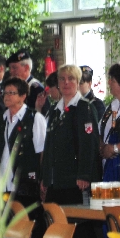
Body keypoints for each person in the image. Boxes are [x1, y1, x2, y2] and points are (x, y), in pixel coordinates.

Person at [0, 77, 47, 230]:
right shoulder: (1, 120)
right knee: (5, 229)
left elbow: (42, 153)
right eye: (5, 93)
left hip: (26, 185)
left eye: (11, 93)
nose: (6, 96)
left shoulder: (34, 118)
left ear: (23, 96)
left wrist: (43, 180)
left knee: (27, 228)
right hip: (3, 186)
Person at [40, 64, 101, 206]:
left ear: (78, 82)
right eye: (62, 79)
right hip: (55, 180)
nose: (66, 82)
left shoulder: (84, 107)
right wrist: (45, 177)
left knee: (75, 218)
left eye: (71, 78)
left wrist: (84, 175)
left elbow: (89, 144)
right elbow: (48, 145)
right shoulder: (54, 110)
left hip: (75, 181)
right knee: (53, 217)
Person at [7, 50, 46, 115]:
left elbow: (44, 115)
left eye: (14, 68)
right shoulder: (12, 88)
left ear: (26, 68)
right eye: (10, 68)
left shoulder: (36, 89)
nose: (11, 71)